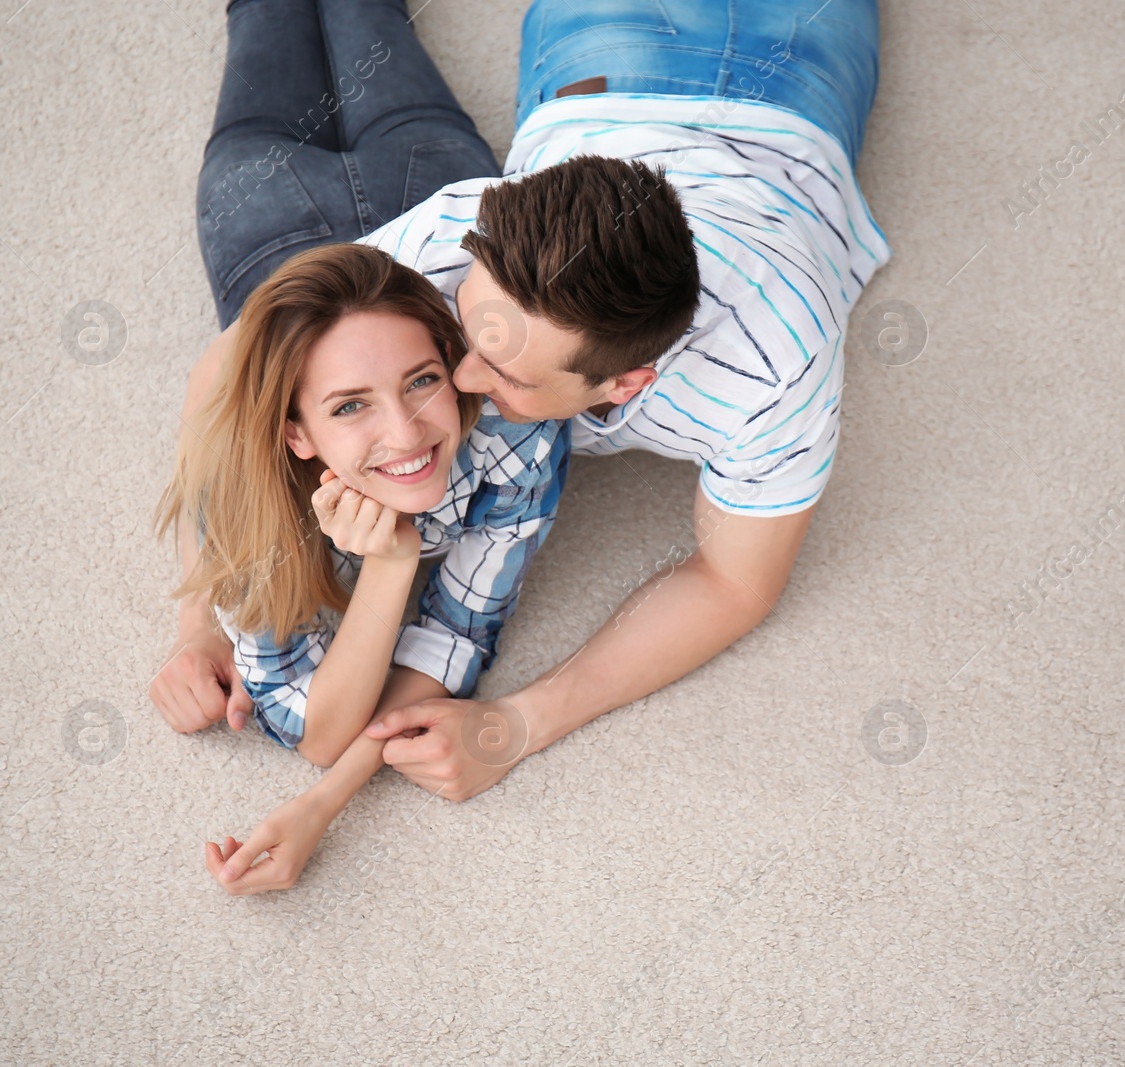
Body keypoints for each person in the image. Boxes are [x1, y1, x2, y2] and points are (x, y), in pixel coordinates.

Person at [154, 0, 892, 855]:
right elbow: (230, 372)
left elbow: (734, 584)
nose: (458, 382)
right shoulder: (462, 236)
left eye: (503, 372)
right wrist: (199, 621)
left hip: (797, 83)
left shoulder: (776, 365)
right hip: (605, 51)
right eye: (467, 332)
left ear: (625, 385)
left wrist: (519, 721)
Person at [153, 242, 568, 892]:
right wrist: (389, 564)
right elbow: (313, 727)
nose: (406, 434)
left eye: (422, 380)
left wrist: (326, 799)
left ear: (454, 365)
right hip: (274, 233)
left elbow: (458, 635)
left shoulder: (514, 429)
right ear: (299, 434)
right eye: (350, 405)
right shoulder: (253, 497)